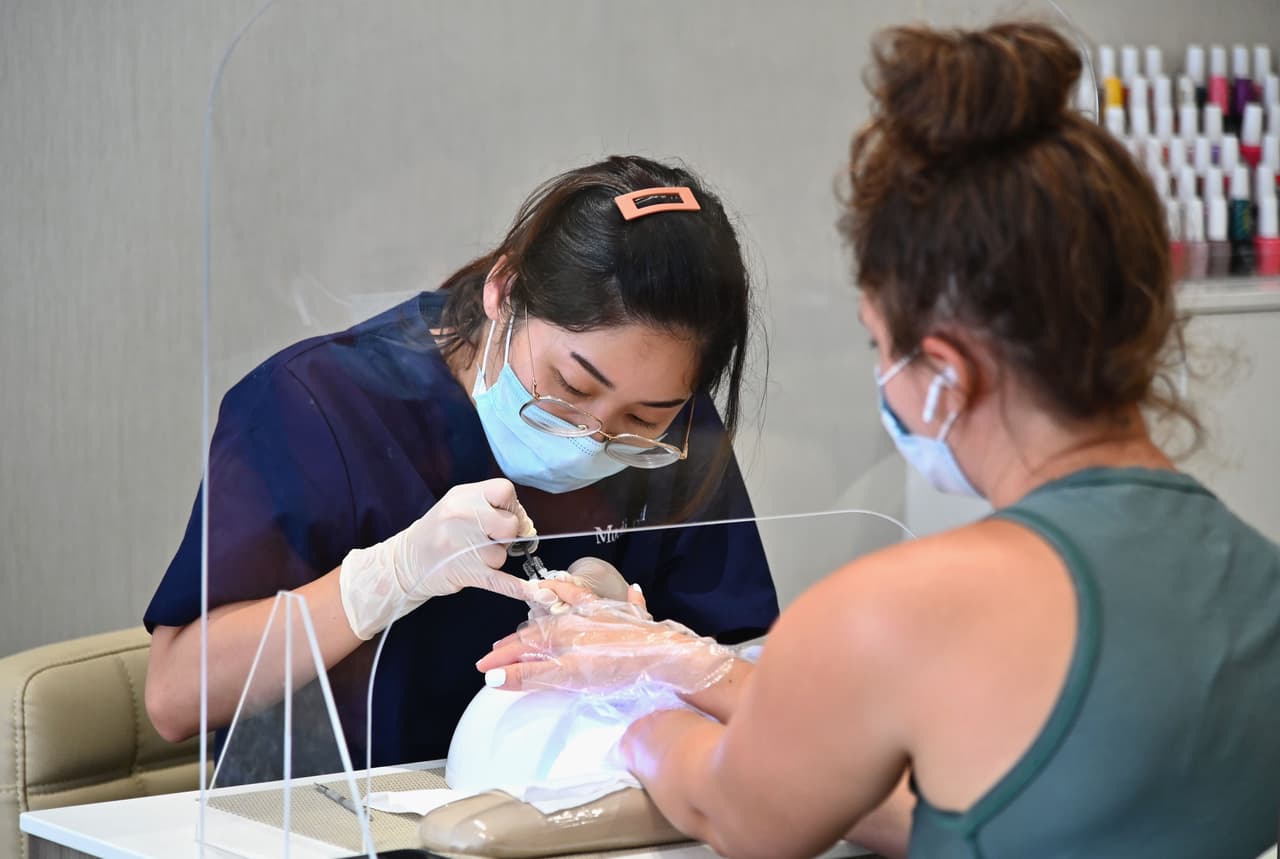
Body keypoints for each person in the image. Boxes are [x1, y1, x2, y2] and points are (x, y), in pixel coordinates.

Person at [479, 23, 1280, 859]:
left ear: (945, 370)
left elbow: (737, 810)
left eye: (877, 341)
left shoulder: (895, 612)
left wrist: (639, 698)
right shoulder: (1258, 580)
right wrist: (693, 664)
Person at [143, 155, 780, 771]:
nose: (594, 435)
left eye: (640, 419)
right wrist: (389, 576)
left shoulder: (675, 428)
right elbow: (175, 696)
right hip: (343, 813)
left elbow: (745, 669)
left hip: (568, 809)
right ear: (505, 291)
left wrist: (644, 638)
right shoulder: (318, 406)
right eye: (571, 385)